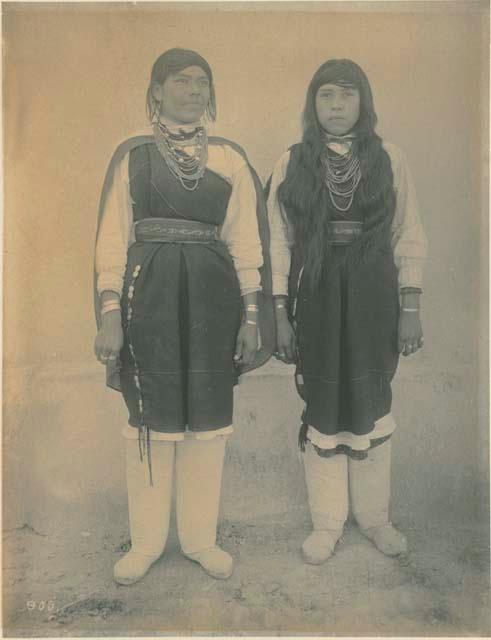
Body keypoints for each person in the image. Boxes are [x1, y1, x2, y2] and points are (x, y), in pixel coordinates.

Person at [94, 48, 273, 584]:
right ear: (156, 91)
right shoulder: (134, 157)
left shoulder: (230, 159)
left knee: (207, 424)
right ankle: (147, 543)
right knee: (150, 417)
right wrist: (109, 315)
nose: (194, 90)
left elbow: (247, 244)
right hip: (146, 297)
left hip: (213, 304)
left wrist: (250, 318)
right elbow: (110, 242)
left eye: (203, 82)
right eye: (181, 81)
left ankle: (200, 540)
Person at [267, 58, 427, 565]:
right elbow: (279, 243)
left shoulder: (389, 158)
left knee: (371, 399)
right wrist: (279, 314)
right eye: (326, 96)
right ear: (312, 104)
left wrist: (410, 306)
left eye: (347, 95)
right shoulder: (291, 161)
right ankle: (328, 523)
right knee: (324, 403)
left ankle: (375, 518)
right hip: (314, 293)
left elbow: (409, 232)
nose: (337, 106)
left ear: (365, 101)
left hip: (374, 294)